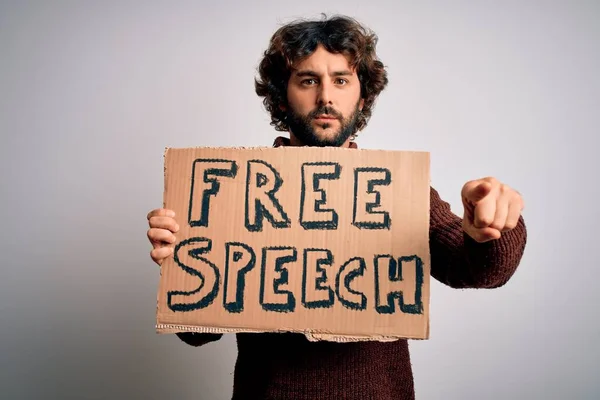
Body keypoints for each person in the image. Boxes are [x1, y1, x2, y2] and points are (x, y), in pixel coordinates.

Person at [146, 15, 527, 400]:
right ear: (281, 96)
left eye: (341, 80)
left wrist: (490, 227)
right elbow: (195, 334)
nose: (325, 97)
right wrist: (181, 263)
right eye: (308, 80)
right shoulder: (233, 190)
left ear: (361, 98)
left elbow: (481, 271)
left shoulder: (396, 191)